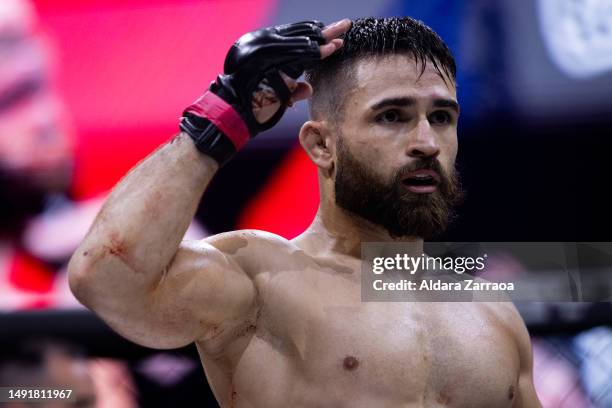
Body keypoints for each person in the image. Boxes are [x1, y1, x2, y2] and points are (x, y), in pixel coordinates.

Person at [69, 17, 542, 407]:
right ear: (321, 145)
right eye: (391, 116)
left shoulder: (491, 312)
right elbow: (105, 277)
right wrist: (221, 117)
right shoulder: (260, 282)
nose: (426, 143)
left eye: (441, 117)